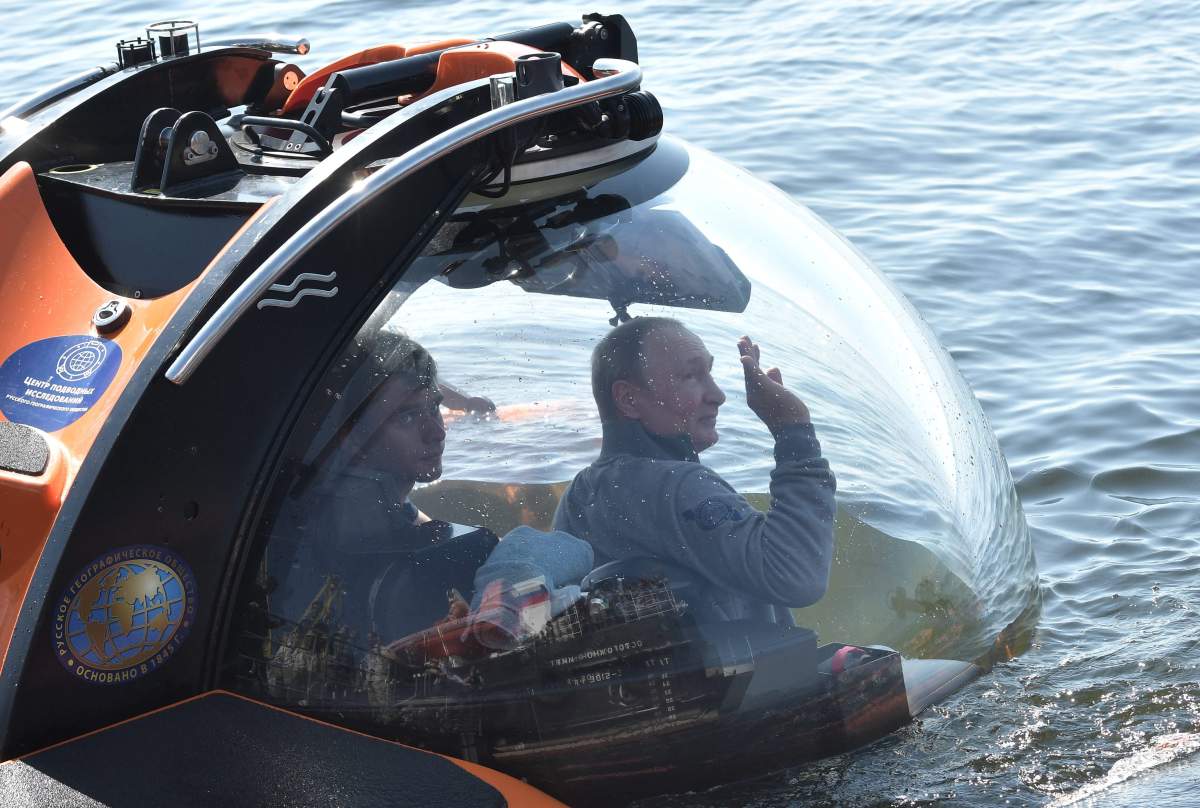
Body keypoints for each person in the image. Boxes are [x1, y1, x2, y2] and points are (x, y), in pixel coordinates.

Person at [553, 317, 836, 624]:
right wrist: (794, 433)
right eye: (691, 376)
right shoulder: (677, 485)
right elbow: (795, 576)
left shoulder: (578, 495)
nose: (718, 394)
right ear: (629, 399)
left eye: (709, 373)